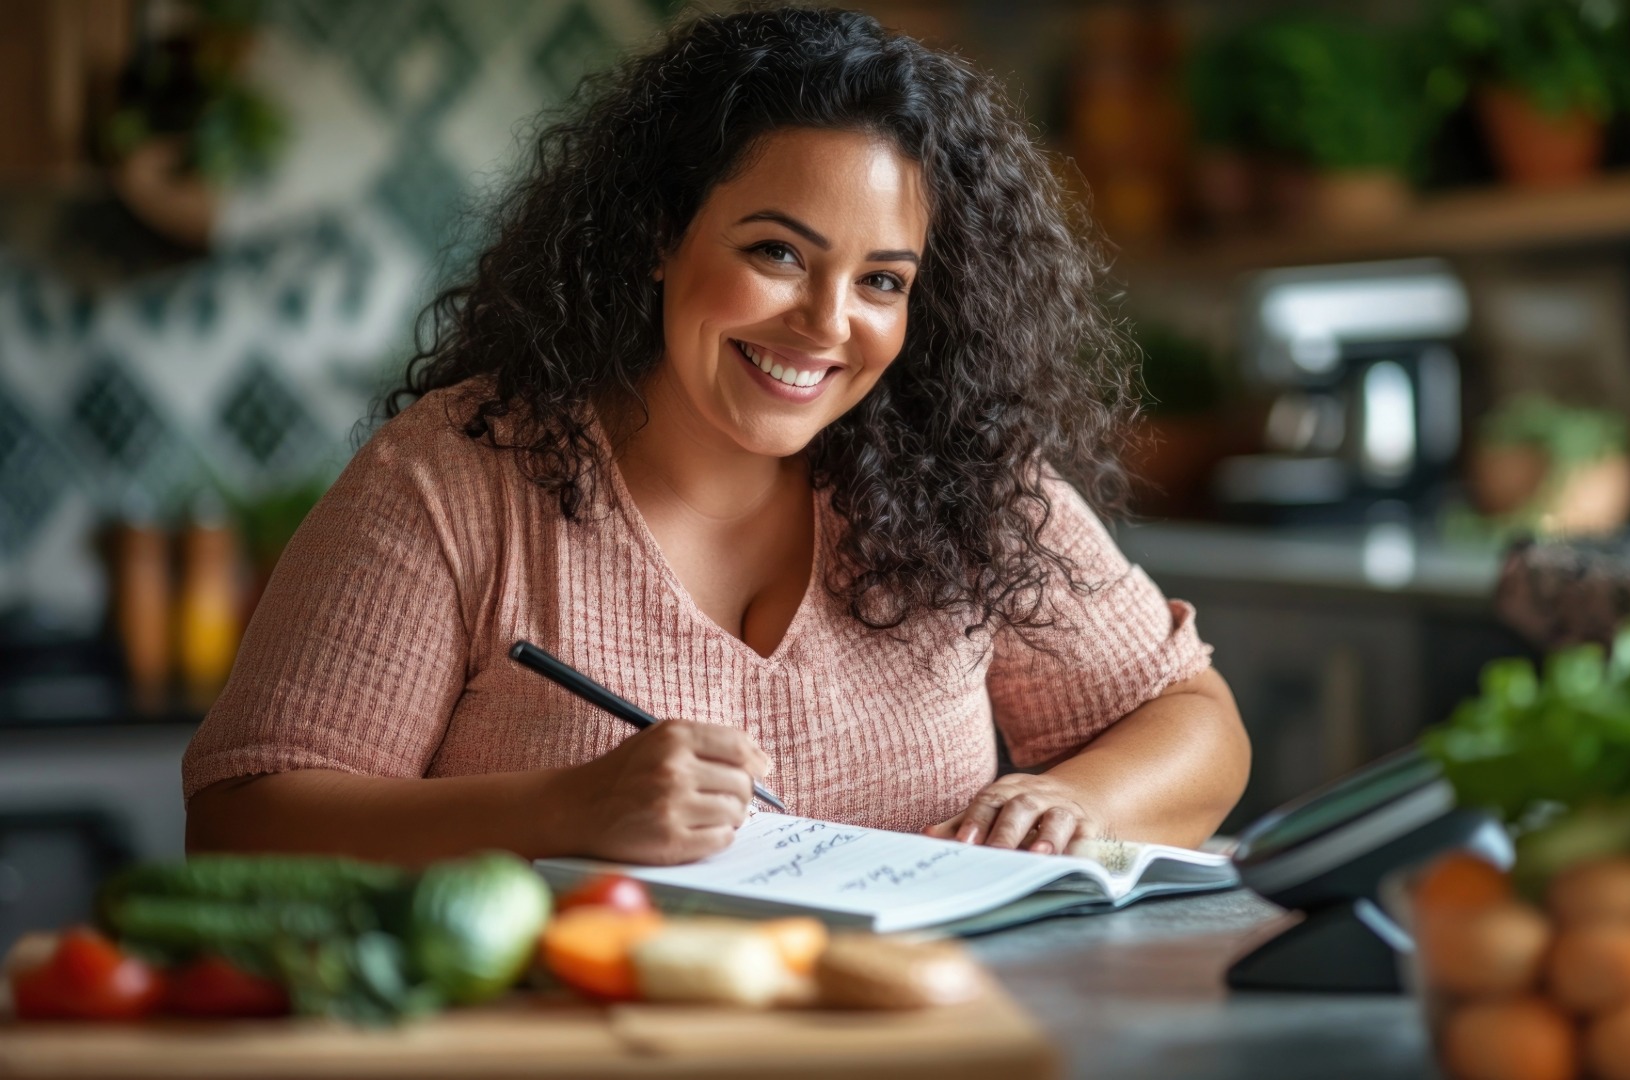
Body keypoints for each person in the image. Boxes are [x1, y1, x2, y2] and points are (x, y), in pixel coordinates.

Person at [183, 7, 1249, 867]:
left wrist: (1076, 804)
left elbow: (1192, 722)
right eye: (777, 253)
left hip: (925, 1028)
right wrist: (562, 811)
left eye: (882, 281)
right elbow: (239, 821)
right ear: (659, 235)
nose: (826, 324)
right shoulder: (456, 476)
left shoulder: (958, 473)